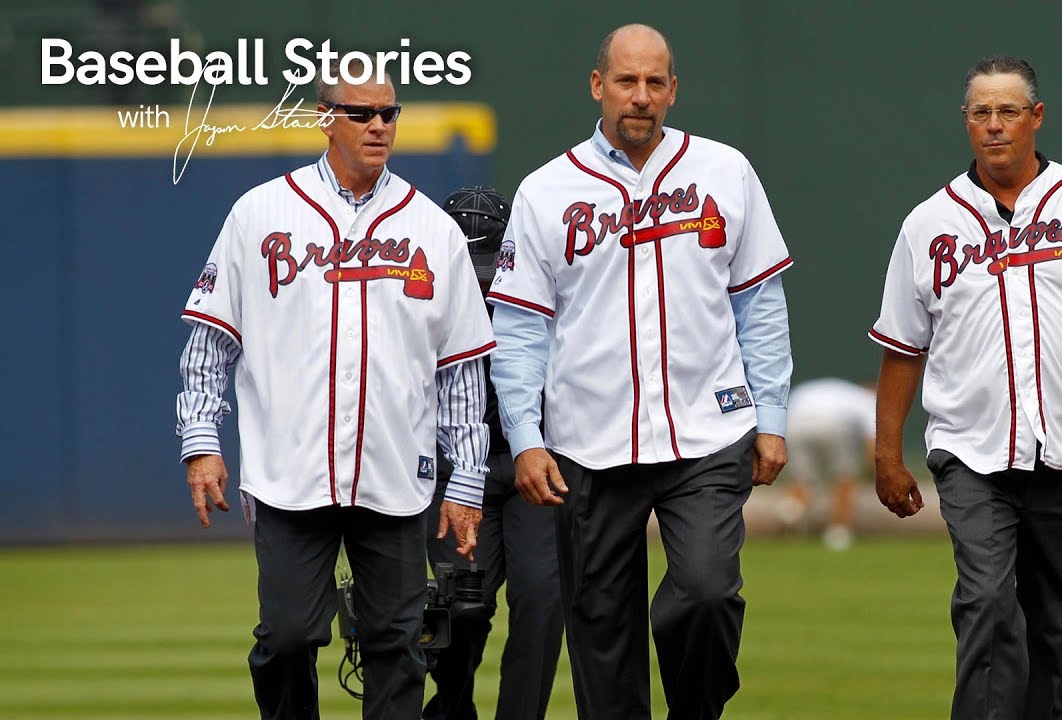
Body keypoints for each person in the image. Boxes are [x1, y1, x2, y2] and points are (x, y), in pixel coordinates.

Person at [486, 24, 793, 720]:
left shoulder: (724, 171)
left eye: (655, 82)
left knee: (708, 593)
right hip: (588, 441)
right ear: (599, 86)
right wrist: (526, 435)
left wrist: (770, 417)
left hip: (706, 430)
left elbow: (760, 305)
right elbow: (520, 329)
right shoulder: (547, 190)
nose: (641, 96)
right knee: (600, 633)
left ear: (674, 90)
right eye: (627, 81)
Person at [176, 57, 495, 719]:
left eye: (389, 113)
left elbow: (460, 366)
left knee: (398, 645)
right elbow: (211, 340)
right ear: (326, 119)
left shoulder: (431, 229)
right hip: (290, 473)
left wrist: (465, 482)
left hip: (396, 473)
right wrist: (201, 440)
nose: (379, 125)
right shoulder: (261, 213)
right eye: (362, 113)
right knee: (289, 638)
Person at [869, 55, 1062, 719]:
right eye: (981, 112)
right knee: (984, 601)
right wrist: (887, 456)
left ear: (1036, 117)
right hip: (971, 450)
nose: (994, 125)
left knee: (1056, 628)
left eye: (1008, 111)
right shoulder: (929, 224)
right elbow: (901, 349)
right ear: (965, 122)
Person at [423, 186, 563, 720]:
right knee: (463, 606)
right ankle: (450, 709)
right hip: (454, 467)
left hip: (534, 461)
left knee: (543, 604)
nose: (480, 279)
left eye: (488, 264)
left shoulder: (542, 288)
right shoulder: (414, 293)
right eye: (469, 264)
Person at [777, 377, 876, 550]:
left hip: (794, 421)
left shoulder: (837, 390)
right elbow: (872, 443)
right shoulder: (868, 400)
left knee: (802, 479)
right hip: (831, 423)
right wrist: (874, 472)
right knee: (846, 477)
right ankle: (838, 533)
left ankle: (790, 511)